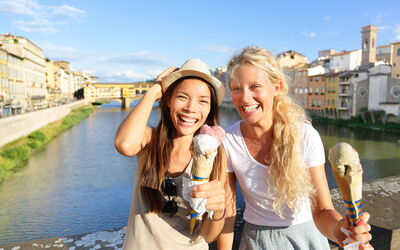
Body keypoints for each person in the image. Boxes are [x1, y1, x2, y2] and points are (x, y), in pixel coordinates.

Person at [217, 47, 373, 250]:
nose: (244, 97)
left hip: (307, 238)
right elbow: (228, 210)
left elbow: (322, 208)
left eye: (255, 86)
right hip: (257, 240)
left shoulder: (305, 136)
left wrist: (339, 231)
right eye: (236, 88)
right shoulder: (228, 140)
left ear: (277, 87)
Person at [115, 58, 227, 249]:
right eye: (182, 97)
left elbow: (208, 236)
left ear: (209, 110)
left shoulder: (214, 154)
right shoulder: (149, 140)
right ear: (168, 100)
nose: (191, 108)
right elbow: (124, 144)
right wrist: (153, 92)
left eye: (203, 101)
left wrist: (218, 210)